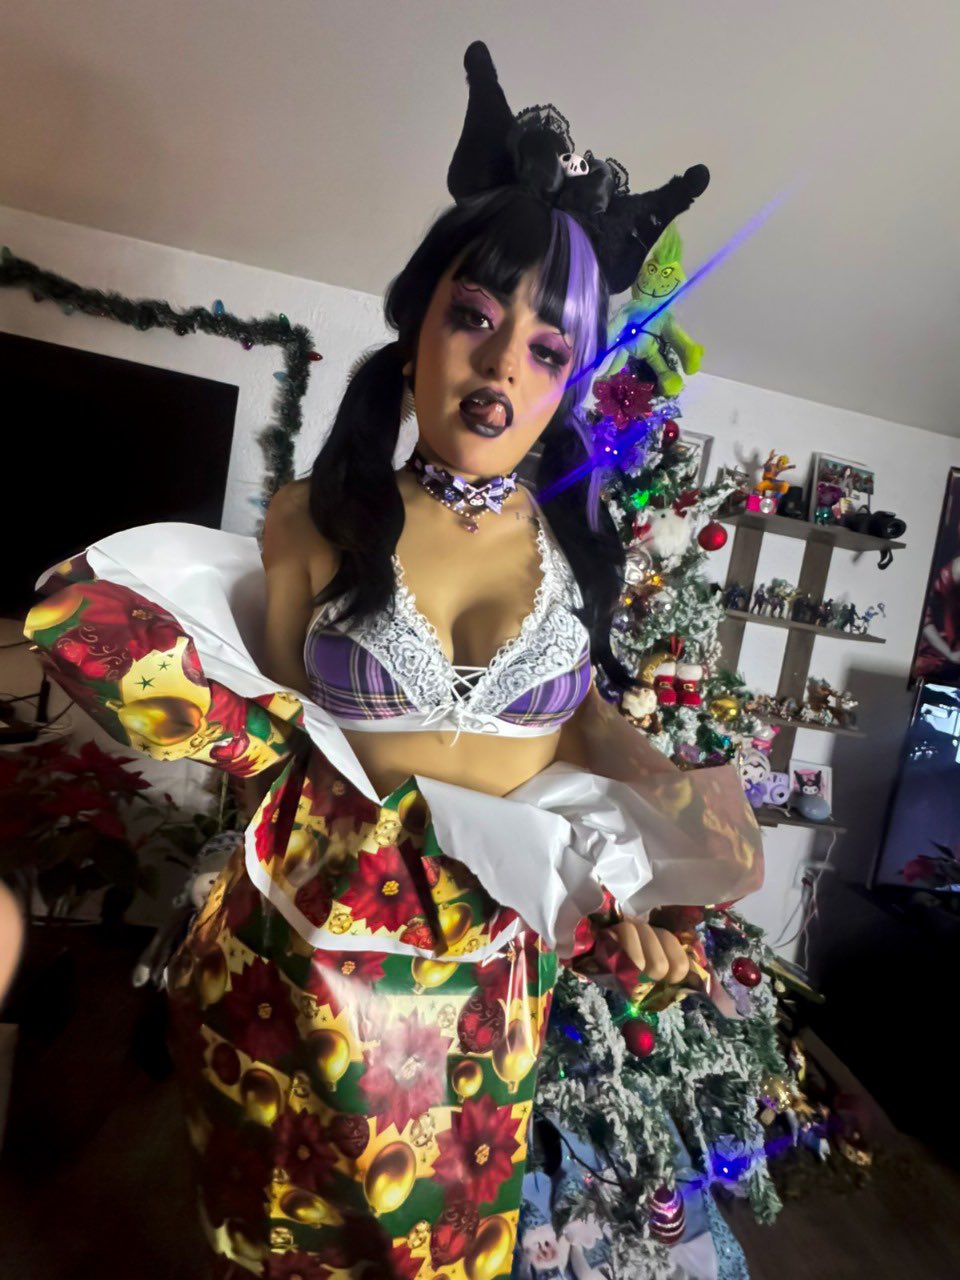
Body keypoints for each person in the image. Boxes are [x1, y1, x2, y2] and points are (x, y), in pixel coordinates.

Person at [23, 42, 761, 1280]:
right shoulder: (312, 521)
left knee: (448, 1252)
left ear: (570, 381)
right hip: (299, 961)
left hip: (482, 985)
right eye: (476, 317)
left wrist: (655, 877)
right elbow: (272, 736)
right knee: (283, 1243)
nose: (503, 365)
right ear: (419, 324)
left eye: (548, 348)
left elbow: (584, 725)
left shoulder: (578, 548)